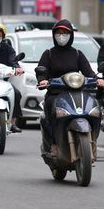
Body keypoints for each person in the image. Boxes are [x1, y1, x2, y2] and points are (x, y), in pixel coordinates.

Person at [37, 20, 103, 157]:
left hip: (76, 92)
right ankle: (53, 144)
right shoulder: (48, 54)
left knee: (94, 108)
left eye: (65, 33)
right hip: (55, 93)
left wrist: (98, 79)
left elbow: (88, 72)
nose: (62, 36)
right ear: (54, 35)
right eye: (59, 33)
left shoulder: (78, 54)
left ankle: (92, 141)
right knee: (50, 108)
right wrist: (42, 80)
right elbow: (41, 72)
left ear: (71, 35)